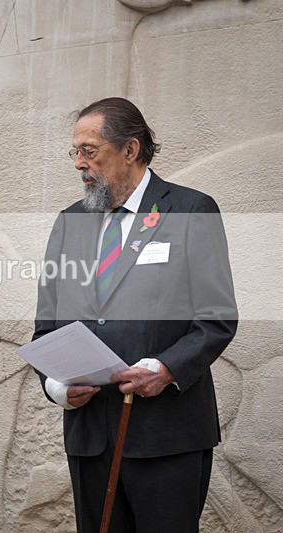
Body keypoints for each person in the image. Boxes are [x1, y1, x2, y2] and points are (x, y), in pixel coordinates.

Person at [33, 97, 238, 532]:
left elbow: (216, 319)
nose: (79, 163)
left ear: (130, 149)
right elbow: (46, 325)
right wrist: (55, 385)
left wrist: (165, 368)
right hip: (90, 436)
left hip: (165, 436)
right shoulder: (69, 222)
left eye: (89, 150)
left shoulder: (190, 209)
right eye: (76, 152)